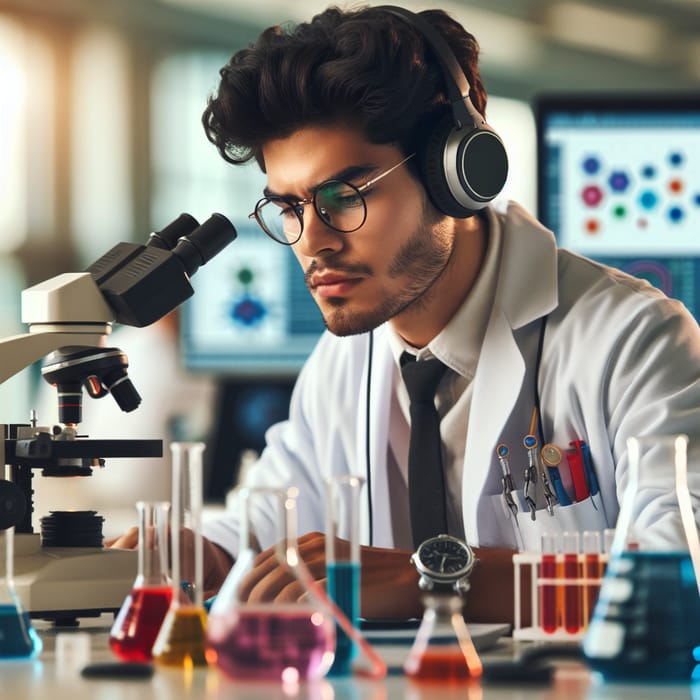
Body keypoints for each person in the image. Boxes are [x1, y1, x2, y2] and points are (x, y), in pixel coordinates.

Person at [112, 5, 700, 623]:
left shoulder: (635, 340)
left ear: (456, 173)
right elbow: (273, 514)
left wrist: (437, 579)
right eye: (290, 207)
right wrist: (204, 553)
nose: (312, 241)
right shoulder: (346, 357)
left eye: (346, 196)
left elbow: (681, 575)